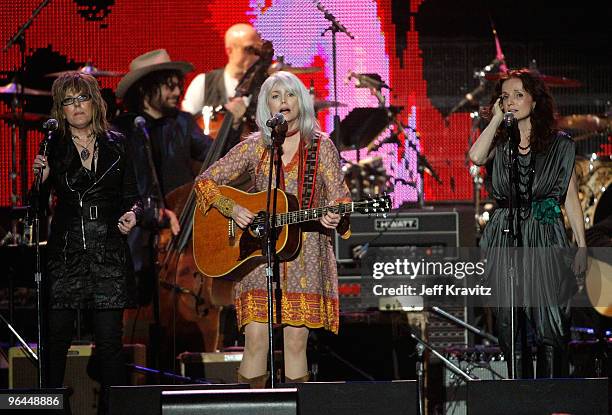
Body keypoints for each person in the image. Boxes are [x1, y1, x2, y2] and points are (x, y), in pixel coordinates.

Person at [194, 71, 351, 387]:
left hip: (306, 255)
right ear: (267, 106)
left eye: (290, 95)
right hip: (258, 255)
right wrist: (232, 209)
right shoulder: (255, 146)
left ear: (301, 101)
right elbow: (205, 182)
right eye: (276, 96)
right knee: (255, 341)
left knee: (295, 343)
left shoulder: (322, 146)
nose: (284, 102)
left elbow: (341, 199)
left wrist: (336, 217)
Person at [31, 72, 141, 414]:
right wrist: (42, 180)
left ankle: (113, 410)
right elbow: (34, 207)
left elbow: (133, 196)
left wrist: (133, 214)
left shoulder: (118, 143)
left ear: (95, 102)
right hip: (67, 253)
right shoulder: (53, 146)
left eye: (82, 99)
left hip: (108, 250)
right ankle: (50, 408)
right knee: (57, 339)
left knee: (109, 343)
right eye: (68, 101)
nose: (76, 106)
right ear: (60, 110)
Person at [469, 69, 587, 378]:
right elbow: (476, 157)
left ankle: (550, 399)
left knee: (551, 324)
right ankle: (519, 398)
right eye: (505, 96)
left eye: (519, 95)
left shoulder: (559, 145)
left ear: (535, 102)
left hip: (545, 231)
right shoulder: (500, 141)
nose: (511, 102)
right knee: (510, 326)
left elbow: (570, 197)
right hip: (505, 232)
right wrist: (495, 119)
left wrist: (582, 245)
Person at [112, 49, 222, 354]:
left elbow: (216, 157)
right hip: (137, 240)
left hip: (181, 244)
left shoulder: (183, 123)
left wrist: (235, 128)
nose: (178, 91)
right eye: (170, 85)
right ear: (147, 89)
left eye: (179, 84)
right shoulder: (121, 130)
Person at [181, 23, 262, 129]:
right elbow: (185, 126)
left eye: (258, 50)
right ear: (230, 50)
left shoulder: (267, 85)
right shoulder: (203, 83)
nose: (255, 56)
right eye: (249, 49)